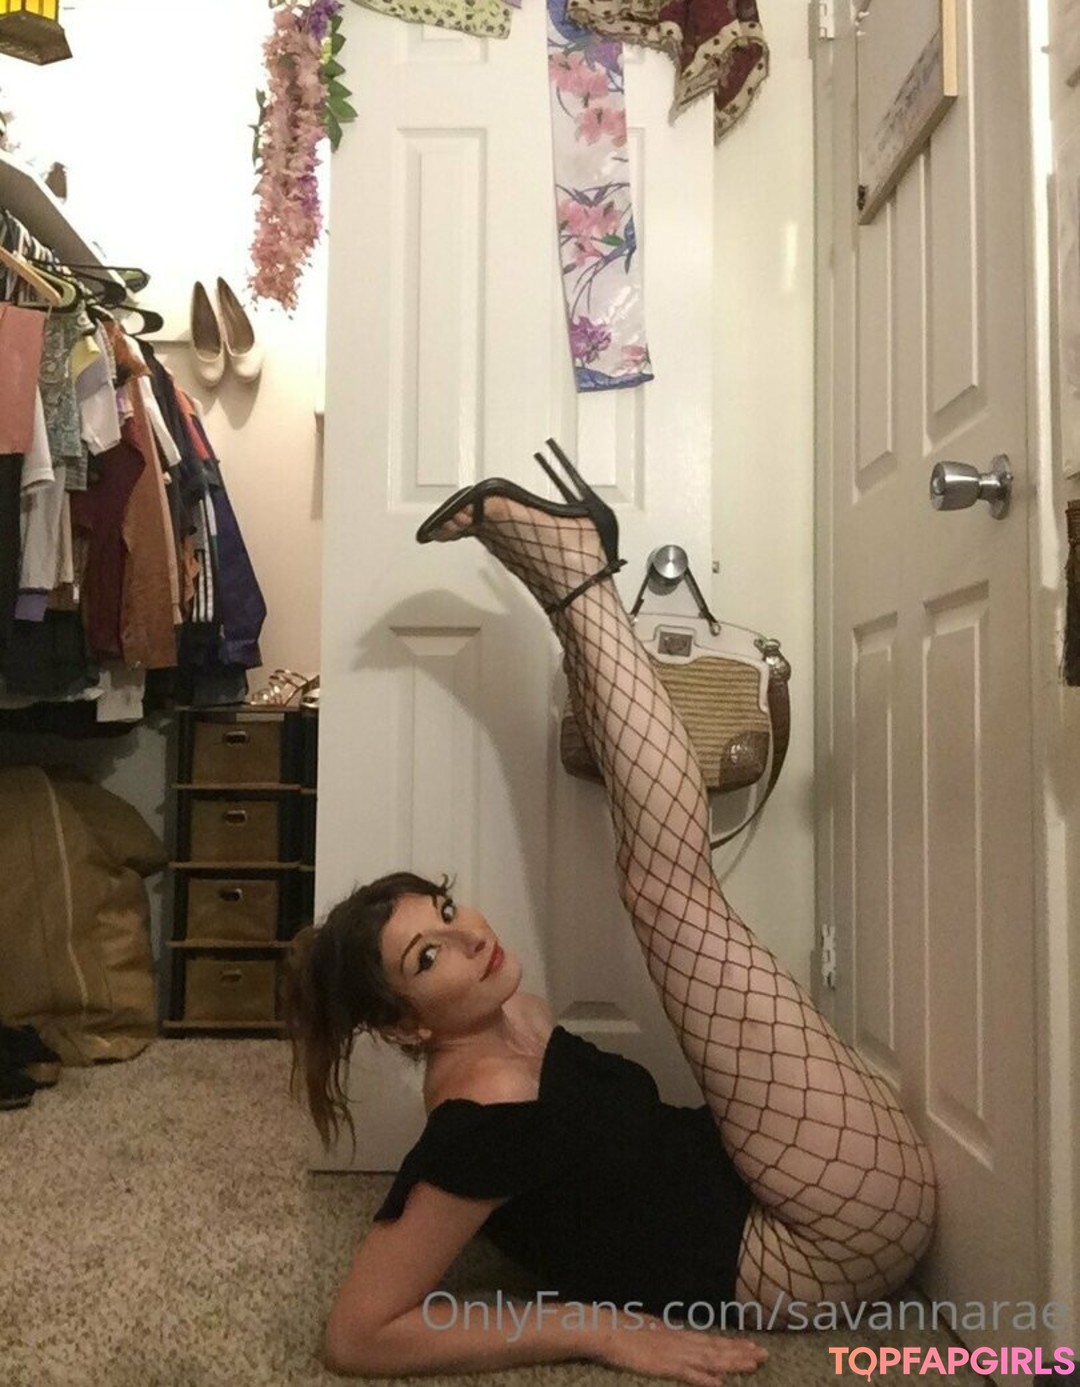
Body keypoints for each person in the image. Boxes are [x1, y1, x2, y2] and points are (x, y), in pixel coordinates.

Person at [285, 440, 937, 1383]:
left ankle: (579, 588)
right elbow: (356, 1336)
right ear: (405, 1025)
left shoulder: (508, 1014)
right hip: (801, 1256)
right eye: (429, 955)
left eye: (450, 909)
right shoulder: (477, 1124)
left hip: (764, 1178)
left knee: (662, 877)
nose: (471, 935)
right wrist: (599, 1329)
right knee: (666, 888)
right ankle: (579, 580)